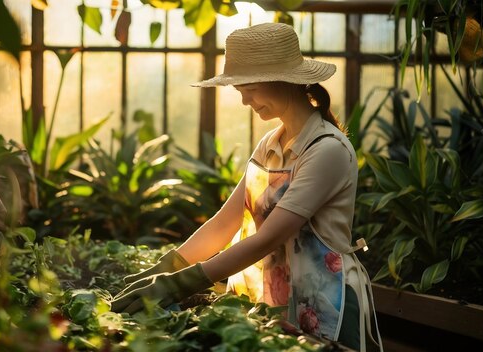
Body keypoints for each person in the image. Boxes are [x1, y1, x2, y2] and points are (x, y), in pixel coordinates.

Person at [111, 22, 383, 352]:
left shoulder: (326, 149)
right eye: (240, 90)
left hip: (326, 305)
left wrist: (182, 283)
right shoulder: (271, 142)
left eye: (250, 88)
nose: (244, 101)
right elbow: (225, 223)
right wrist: (168, 268)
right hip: (277, 305)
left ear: (284, 80)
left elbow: (268, 238)